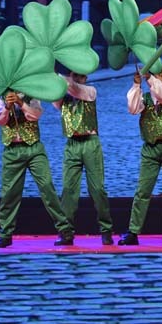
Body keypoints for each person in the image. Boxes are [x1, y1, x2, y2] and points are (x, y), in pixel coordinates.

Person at [0, 90, 74, 248]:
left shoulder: (31, 95)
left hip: (34, 147)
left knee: (47, 187)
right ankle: (5, 234)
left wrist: (20, 103)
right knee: (9, 193)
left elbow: (35, 115)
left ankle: (65, 230)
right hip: (12, 150)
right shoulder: (1, 97)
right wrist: (8, 106)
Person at [119, 65, 162, 246]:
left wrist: (149, 78)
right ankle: (133, 232)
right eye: (161, 75)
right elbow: (133, 108)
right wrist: (136, 84)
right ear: (155, 76)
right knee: (143, 191)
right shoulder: (145, 98)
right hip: (150, 150)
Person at [52, 72, 113, 246]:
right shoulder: (63, 96)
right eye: (75, 75)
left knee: (97, 189)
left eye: (81, 76)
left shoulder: (90, 91)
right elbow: (55, 98)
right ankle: (66, 232)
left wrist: (59, 76)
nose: (78, 78)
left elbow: (75, 89)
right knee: (68, 190)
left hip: (90, 143)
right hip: (72, 144)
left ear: (86, 78)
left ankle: (106, 230)